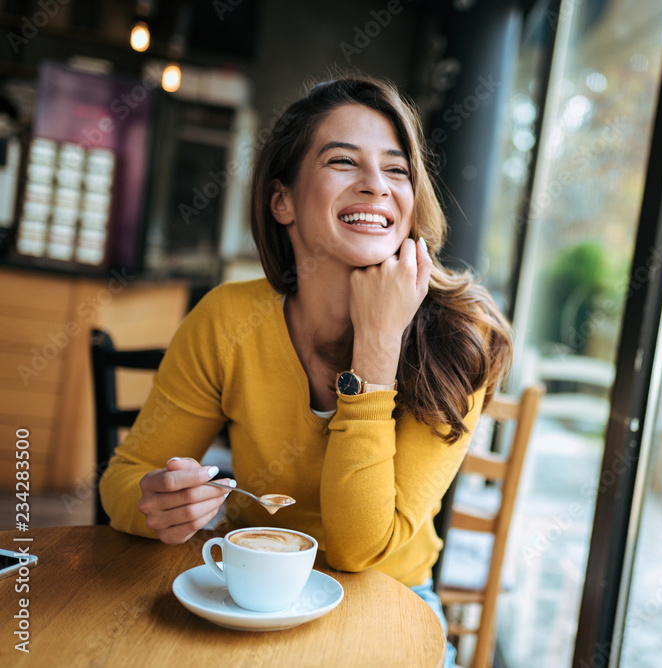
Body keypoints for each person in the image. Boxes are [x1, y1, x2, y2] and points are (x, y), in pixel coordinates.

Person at [99, 75, 512, 663]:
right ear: (282, 201)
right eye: (343, 162)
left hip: (387, 601)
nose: (376, 186)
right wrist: (154, 504)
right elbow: (126, 477)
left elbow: (357, 548)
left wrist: (376, 345)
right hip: (247, 588)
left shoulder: (457, 339)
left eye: (397, 171)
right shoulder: (227, 319)